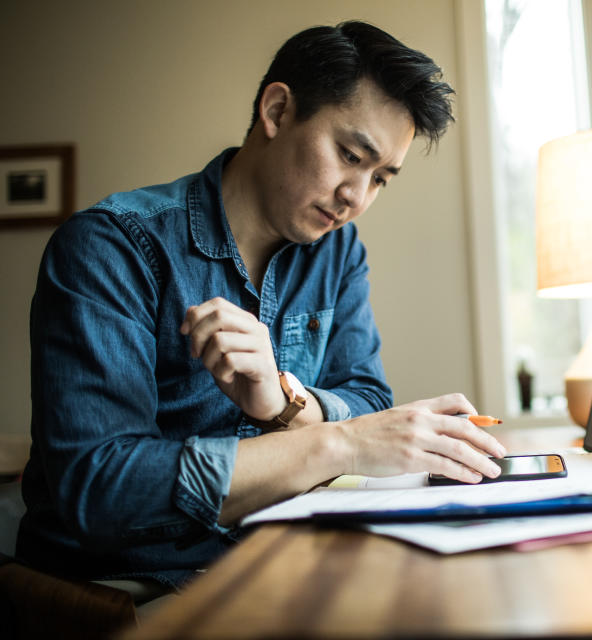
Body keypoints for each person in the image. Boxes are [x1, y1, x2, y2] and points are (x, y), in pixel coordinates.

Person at [17, 20, 505, 591]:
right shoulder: (111, 248)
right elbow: (103, 490)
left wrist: (285, 402)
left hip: (281, 563)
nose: (357, 198)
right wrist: (337, 443)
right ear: (277, 111)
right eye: (350, 155)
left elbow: (368, 395)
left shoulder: (337, 252)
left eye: (380, 179)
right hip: (127, 588)